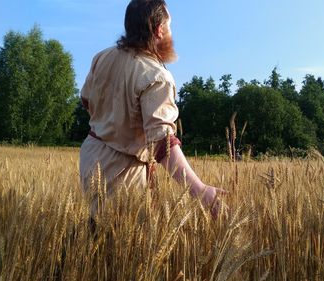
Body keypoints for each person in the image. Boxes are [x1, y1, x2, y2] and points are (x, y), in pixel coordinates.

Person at [79, 0, 224, 218]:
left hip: (90, 157)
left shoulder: (102, 57)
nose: (170, 33)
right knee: (121, 245)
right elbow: (162, 143)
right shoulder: (156, 76)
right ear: (158, 30)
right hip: (123, 171)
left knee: (96, 229)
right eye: (169, 26)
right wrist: (200, 190)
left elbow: (86, 100)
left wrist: (112, 126)